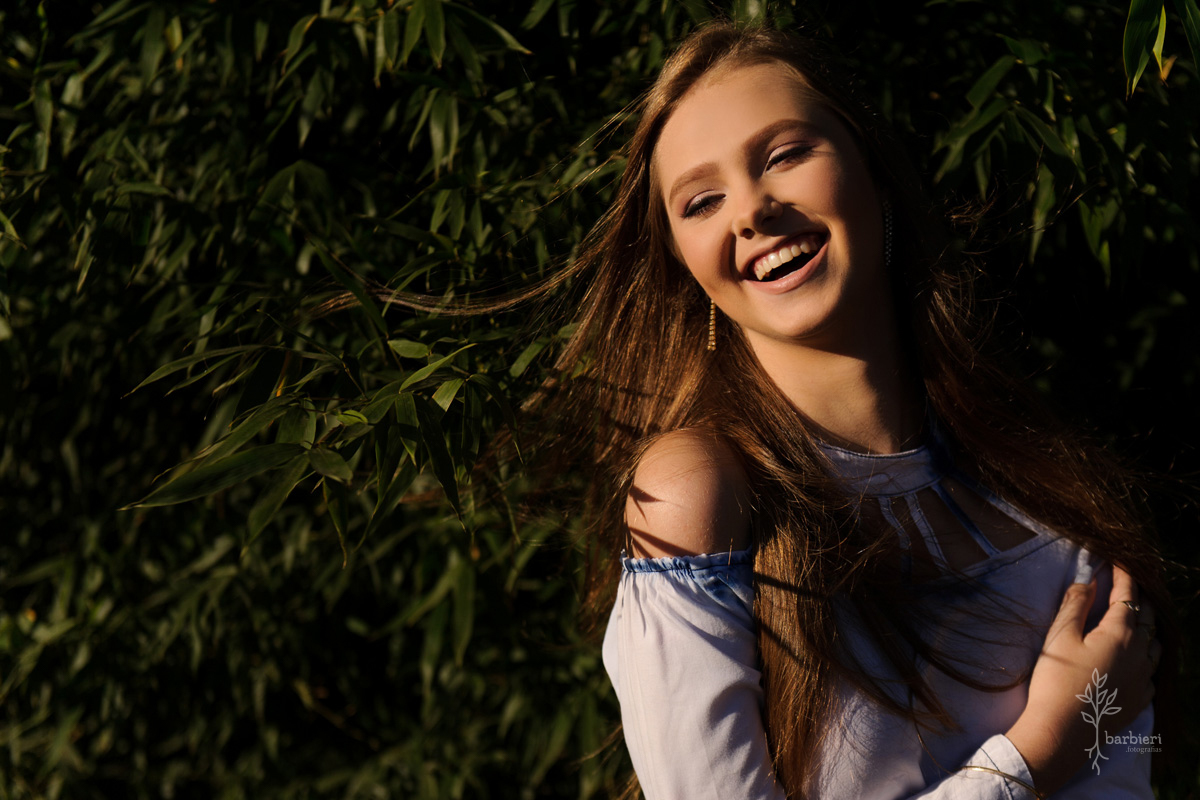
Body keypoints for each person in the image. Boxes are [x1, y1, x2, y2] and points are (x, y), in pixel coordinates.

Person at [531, 21, 1169, 800]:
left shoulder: (1040, 484)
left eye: (785, 155)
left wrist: (1074, 741)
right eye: (702, 201)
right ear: (682, 262)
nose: (751, 210)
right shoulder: (697, 492)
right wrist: (1033, 759)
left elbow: (1124, 772)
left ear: (871, 167)